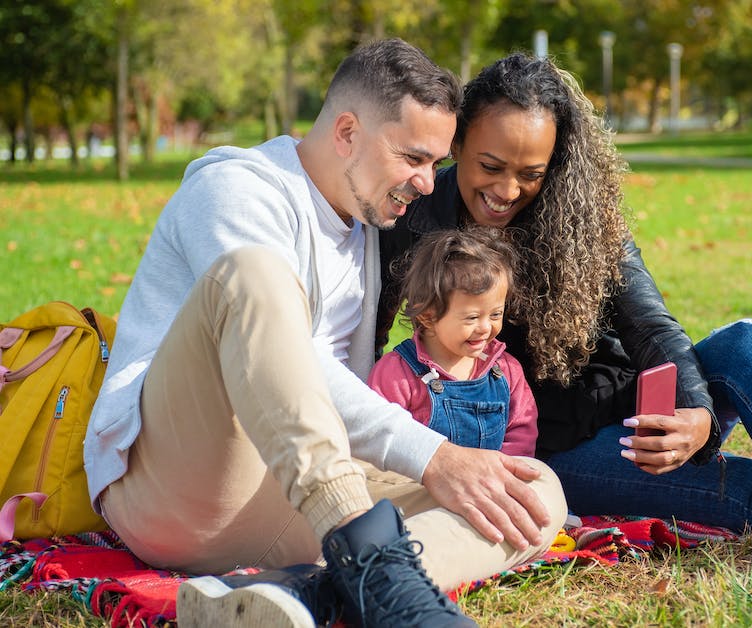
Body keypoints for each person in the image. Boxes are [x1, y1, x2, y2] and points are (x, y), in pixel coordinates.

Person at [378, 52, 752, 582]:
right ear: (457, 142)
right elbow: (371, 330)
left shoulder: (581, 212)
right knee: (738, 486)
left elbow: (651, 326)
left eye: (530, 172)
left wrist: (695, 412)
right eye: (490, 166)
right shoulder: (416, 215)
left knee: (744, 341)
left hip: (636, 402)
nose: (506, 190)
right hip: (556, 448)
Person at [84, 40, 567, 628]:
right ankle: (379, 572)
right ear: (346, 133)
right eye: (413, 157)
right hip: (175, 486)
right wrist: (433, 457)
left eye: (435, 164)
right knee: (252, 274)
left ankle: (306, 592)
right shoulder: (235, 190)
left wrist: (455, 464)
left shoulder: (361, 219)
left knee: (530, 490)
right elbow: (291, 357)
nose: (425, 183)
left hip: (293, 505)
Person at [369, 226, 537, 457]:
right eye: (472, 317)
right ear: (428, 316)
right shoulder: (396, 375)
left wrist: (506, 474)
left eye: (496, 314)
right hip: (419, 488)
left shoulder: (506, 371)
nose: (486, 328)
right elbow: (379, 440)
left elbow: (520, 434)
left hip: (493, 484)